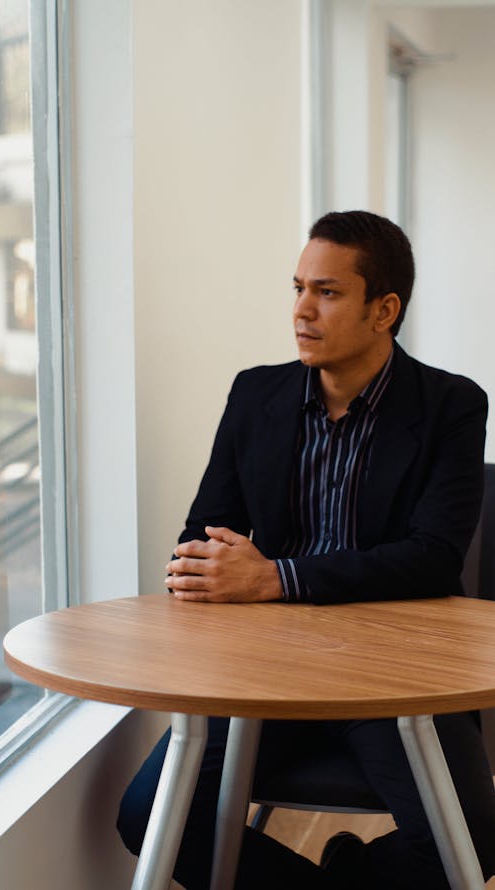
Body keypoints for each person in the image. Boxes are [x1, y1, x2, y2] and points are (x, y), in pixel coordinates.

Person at [117, 210, 495, 889]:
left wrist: (276, 578)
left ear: (384, 309)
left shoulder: (451, 406)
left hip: (396, 670)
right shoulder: (256, 393)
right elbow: (202, 536)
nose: (301, 311)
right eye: (297, 288)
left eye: (326, 292)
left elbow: (433, 556)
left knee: (473, 840)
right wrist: (207, 568)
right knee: (149, 817)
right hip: (270, 669)